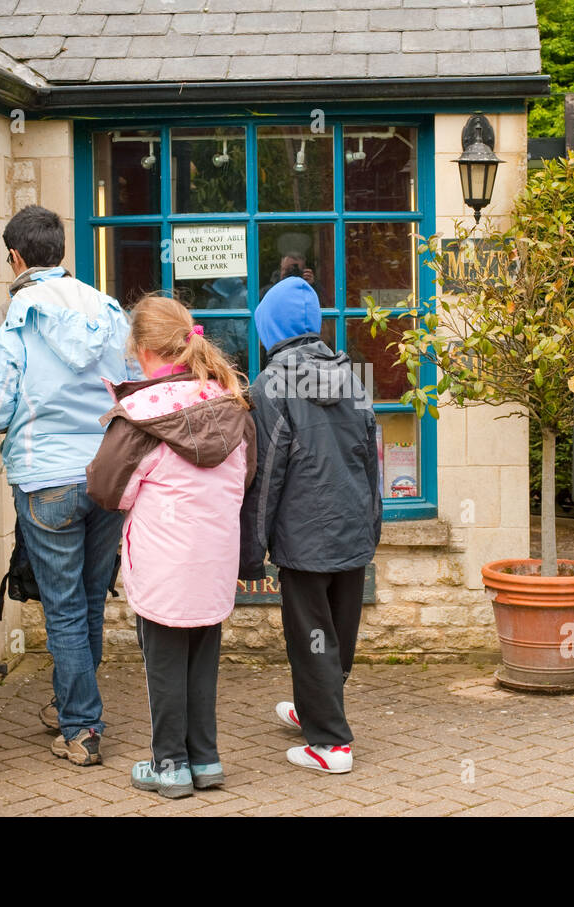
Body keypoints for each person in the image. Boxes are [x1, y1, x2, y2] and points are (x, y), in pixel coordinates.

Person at [0, 205, 137, 767]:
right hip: (106, 473)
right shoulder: (108, 309)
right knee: (90, 599)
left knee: (63, 608)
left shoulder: (16, 314)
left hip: (45, 478)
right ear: (61, 251)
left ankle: (82, 726)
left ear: (15, 257)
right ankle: (77, 710)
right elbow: (128, 389)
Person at [86, 296, 256, 799]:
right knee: (203, 660)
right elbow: (245, 478)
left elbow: (106, 489)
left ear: (142, 350)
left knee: (162, 665)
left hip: (163, 562)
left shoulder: (139, 417)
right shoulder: (232, 404)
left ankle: (171, 765)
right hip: (215, 557)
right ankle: (206, 759)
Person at [239, 276, 381, 774]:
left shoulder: (268, 387)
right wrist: (372, 527)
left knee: (310, 635)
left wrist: (251, 551)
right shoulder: (352, 378)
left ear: (269, 329)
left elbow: (264, 478)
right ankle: (316, 709)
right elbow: (372, 461)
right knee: (336, 633)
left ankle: (331, 745)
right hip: (352, 531)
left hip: (303, 537)